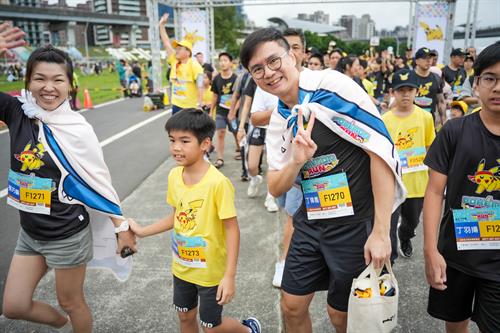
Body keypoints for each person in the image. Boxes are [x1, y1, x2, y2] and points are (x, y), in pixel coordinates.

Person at [240, 28, 405, 333]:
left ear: (293, 56)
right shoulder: (279, 117)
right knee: (290, 305)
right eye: (258, 69)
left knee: (342, 316)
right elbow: (276, 186)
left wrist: (381, 231)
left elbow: (379, 151)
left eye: (274, 61)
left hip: (355, 225)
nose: (269, 73)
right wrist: (296, 161)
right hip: (311, 221)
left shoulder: (332, 85)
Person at [1, 45, 136, 333]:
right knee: (13, 306)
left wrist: (120, 225)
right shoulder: (18, 113)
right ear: (27, 81)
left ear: (71, 85)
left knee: (71, 302)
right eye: (39, 78)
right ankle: (62, 325)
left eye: (58, 80)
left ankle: (73, 323)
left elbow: (98, 183)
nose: (48, 87)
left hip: (66, 234)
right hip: (30, 231)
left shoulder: (78, 129)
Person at [129, 109, 261, 333]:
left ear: (205, 144)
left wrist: (229, 276)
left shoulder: (218, 183)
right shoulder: (174, 176)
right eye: (172, 140)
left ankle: (248, 330)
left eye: (184, 141)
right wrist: (142, 231)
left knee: (211, 327)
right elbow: (176, 216)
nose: (176, 147)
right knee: (185, 317)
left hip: (210, 272)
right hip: (181, 267)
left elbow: (232, 230)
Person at [423, 41, 500, 333]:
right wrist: (431, 251)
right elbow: (433, 192)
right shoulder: (454, 132)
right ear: (476, 83)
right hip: (455, 256)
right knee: (455, 324)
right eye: (490, 78)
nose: (497, 88)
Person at [383, 69, 436, 259]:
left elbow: (430, 147)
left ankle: (405, 236)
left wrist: (433, 178)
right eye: (400, 90)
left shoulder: (425, 117)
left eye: (409, 89)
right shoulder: (385, 120)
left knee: (412, 221)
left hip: (417, 183)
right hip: (393, 182)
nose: (405, 94)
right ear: (392, 93)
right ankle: (389, 262)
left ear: (417, 92)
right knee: (388, 223)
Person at [159, 13, 204, 115]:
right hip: (176, 105)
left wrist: (199, 105)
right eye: (176, 48)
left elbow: (200, 86)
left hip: (190, 107)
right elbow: (166, 42)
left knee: (189, 131)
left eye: (180, 49)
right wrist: (161, 25)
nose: (176, 51)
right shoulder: (174, 60)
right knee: (175, 130)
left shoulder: (195, 66)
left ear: (188, 52)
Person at [210, 52, 238, 168]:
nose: (222, 63)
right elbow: (215, 96)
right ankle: (220, 158)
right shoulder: (216, 79)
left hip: (233, 112)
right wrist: (211, 111)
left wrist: (234, 111)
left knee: (236, 132)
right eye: (221, 60)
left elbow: (239, 97)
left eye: (225, 60)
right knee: (220, 133)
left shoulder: (236, 78)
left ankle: (240, 148)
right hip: (221, 112)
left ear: (231, 63)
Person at [412, 47, 446, 125]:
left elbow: (441, 101)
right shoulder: (409, 77)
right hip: (411, 120)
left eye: (430, 57)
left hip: (429, 121)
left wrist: (443, 120)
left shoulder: (436, 78)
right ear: (417, 61)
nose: (428, 60)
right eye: (425, 58)